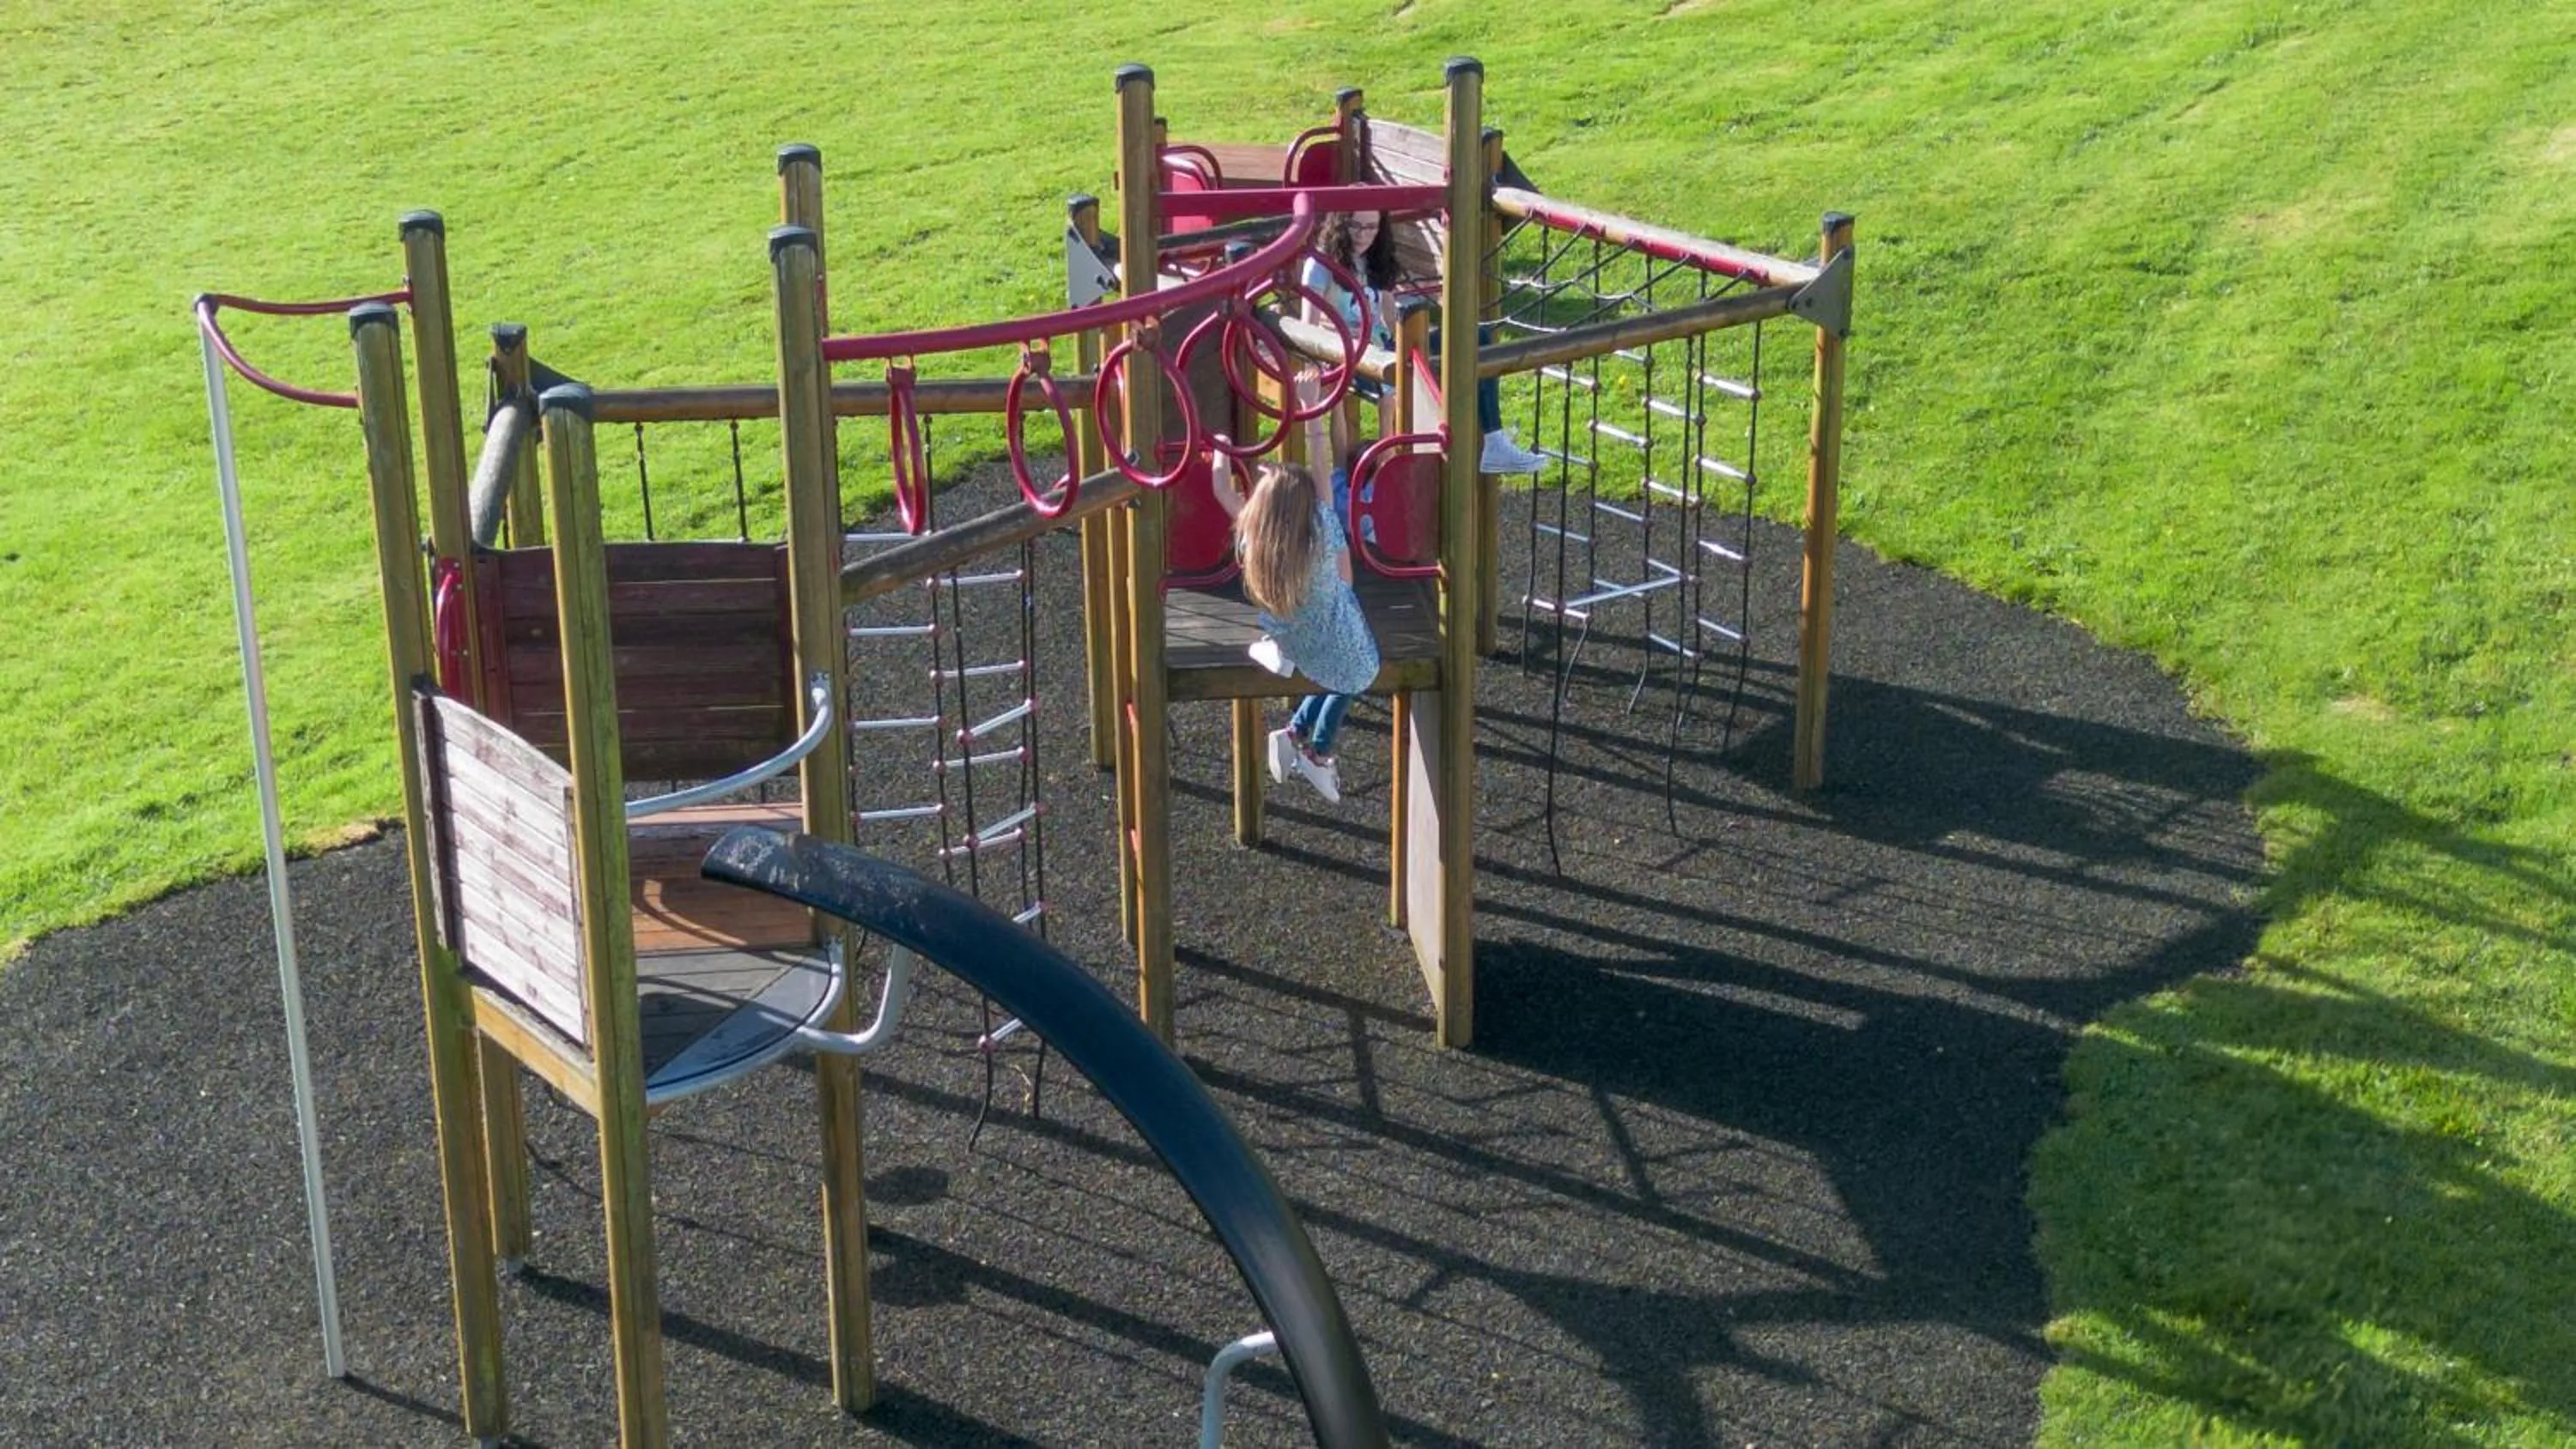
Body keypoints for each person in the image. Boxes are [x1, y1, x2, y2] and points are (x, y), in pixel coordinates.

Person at [1297, 210, 1549, 476]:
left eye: (1371, 228)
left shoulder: (1374, 258)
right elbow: (1307, 328)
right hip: (1351, 356)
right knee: (1403, 384)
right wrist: (1318, 363)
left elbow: (1386, 319)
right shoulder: (1323, 264)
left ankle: (1494, 439)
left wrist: (1395, 309)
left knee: (1479, 338)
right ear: (1340, 225)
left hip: (1386, 346)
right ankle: (1435, 456)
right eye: (1355, 226)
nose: (1363, 235)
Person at [1207, 456, 1379, 804]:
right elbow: (1346, 577)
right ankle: (1317, 752)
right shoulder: (1320, 526)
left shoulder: (1254, 530)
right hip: (1325, 631)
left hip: (1287, 634)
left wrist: (1220, 452)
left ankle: (1295, 729)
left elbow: (1222, 489)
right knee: (1359, 673)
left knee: (1339, 670)